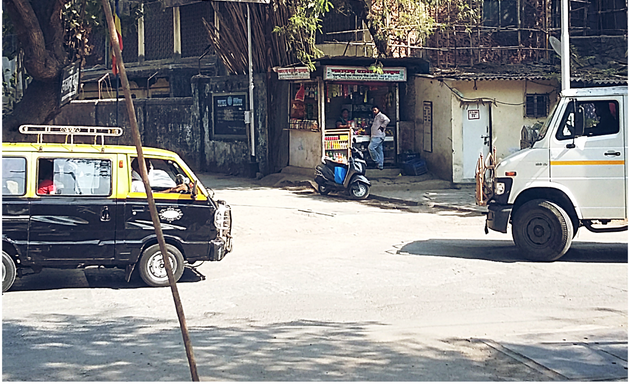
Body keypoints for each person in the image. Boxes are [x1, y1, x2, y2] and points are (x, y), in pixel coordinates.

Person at [367, 105, 390, 170]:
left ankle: (377, 160)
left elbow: (387, 120)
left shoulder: (380, 115)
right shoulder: (376, 117)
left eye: (375, 110)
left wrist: (382, 126)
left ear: (378, 110)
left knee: (371, 148)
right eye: (373, 110)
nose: (374, 111)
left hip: (378, 135)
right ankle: (380, 165)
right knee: (379, 150)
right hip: (376, 135)